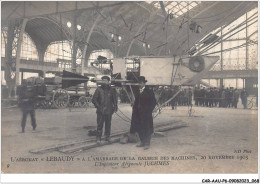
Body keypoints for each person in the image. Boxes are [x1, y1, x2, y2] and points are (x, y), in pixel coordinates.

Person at [131, 76, 156, 150]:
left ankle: (147, 143)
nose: (140, 84)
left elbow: (154, 102)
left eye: (141, 83)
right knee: (139, 128)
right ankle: (142, 142)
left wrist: (149, 110)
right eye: (139, 83)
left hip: (146, 114)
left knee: (147, 128)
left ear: (144, 83)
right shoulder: (137, 91)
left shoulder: (149, 91)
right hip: (138, 114)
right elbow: (136, 102)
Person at [92, 76, 118, 143]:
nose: (104, 82)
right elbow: (94, 99)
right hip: (100, 111)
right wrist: (99, 107)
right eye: (103, 81)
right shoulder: (98, 89)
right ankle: (98, 138)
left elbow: (114, 99)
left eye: (106, 81)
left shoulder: (112, 90)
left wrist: (115, 107)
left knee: (108, 124)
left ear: (108, 82)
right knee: (99, 125)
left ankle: (107, 137)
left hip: (109, 110)